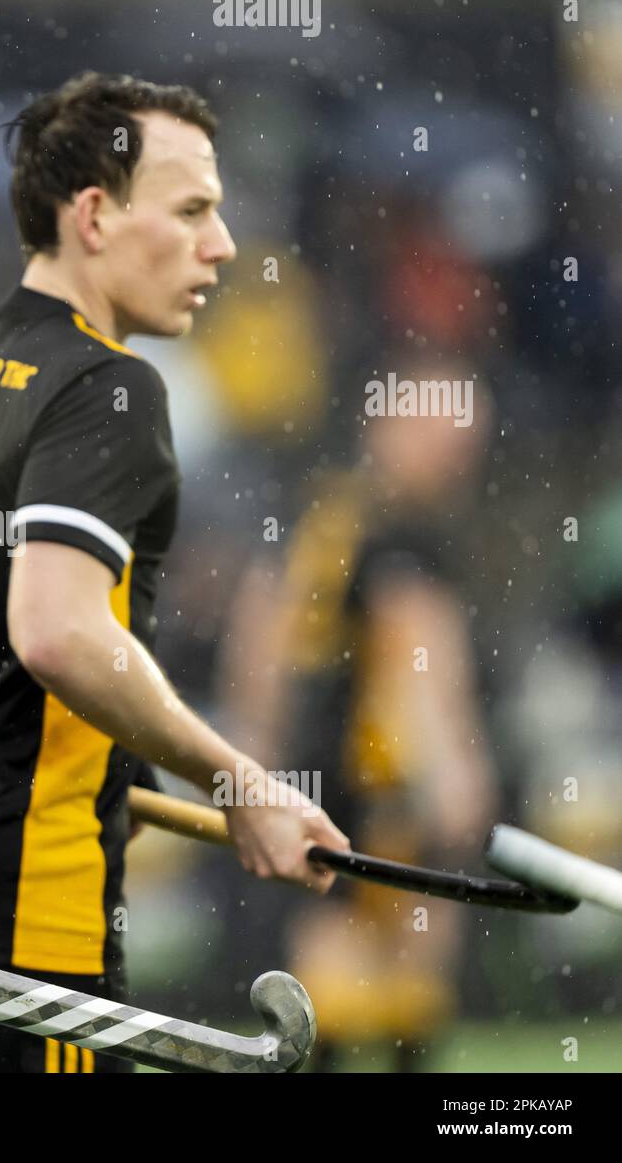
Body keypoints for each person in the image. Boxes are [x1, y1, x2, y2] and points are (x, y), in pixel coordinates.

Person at [0, 71, 350, 1074]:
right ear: (93, 214)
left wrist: (14, 731)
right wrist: (239, 782)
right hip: (21, 910)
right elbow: (57, 631)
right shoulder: (111, 389)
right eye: (191, 211)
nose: (221, 246)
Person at [219, 363, 498, 1070]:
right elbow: (419, 654)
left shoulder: (324, 508)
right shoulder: (398, 534)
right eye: (449, 435)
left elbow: (260, 625)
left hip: (320, 781)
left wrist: (253, 744)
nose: (464, 456)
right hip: (384, 785)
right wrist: (456, 767)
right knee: (407, 978)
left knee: (330, 976)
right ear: (394, 426)